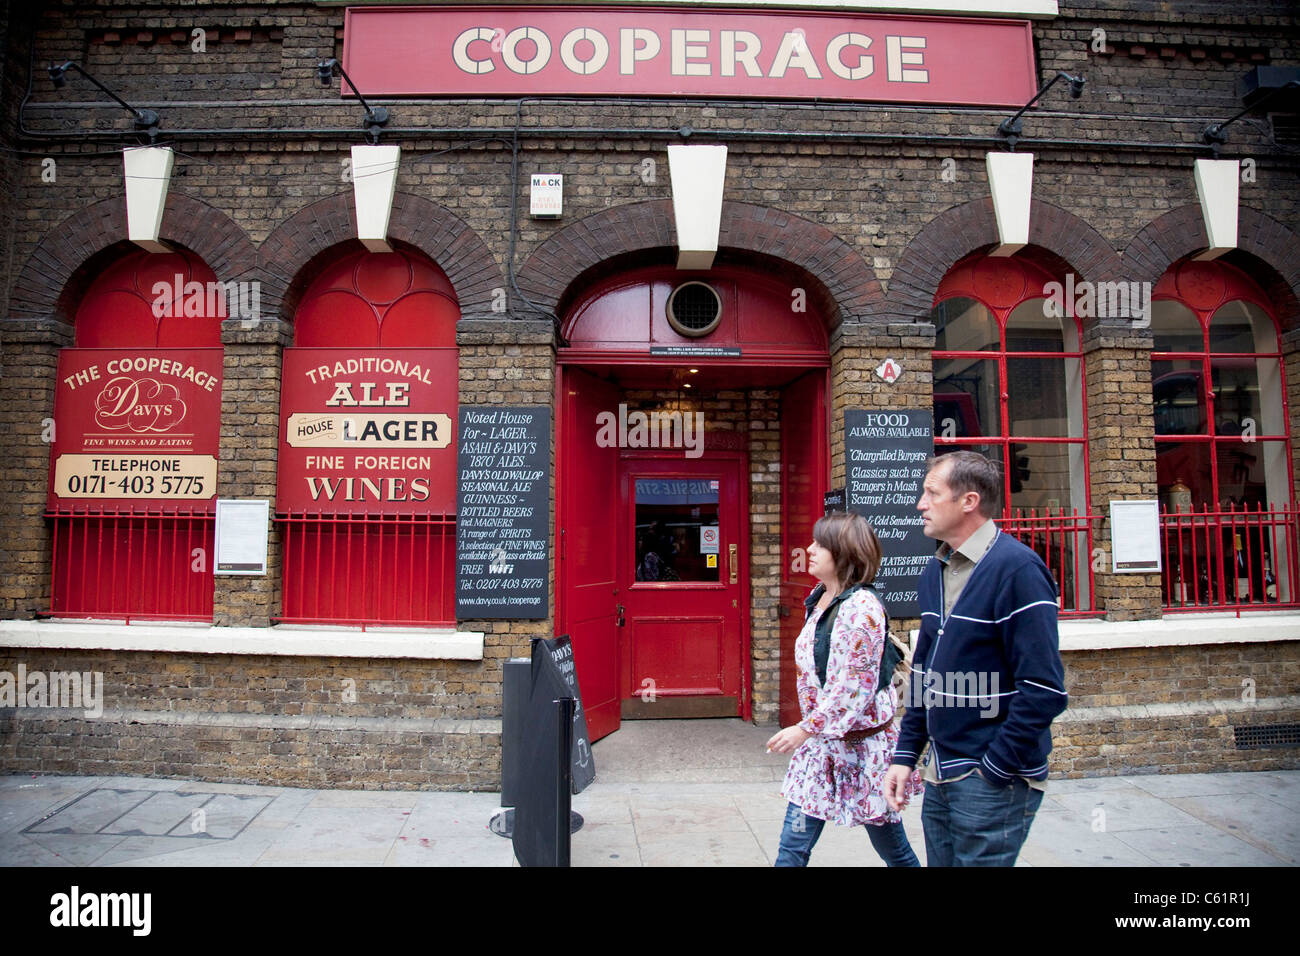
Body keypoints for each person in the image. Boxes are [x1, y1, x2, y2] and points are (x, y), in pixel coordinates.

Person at [883, 451, 1068, 867]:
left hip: (988, 777)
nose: (920, 503)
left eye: (932, 492)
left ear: (968, 501)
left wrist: (995, 768)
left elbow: (1044, 689)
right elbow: (923, 675)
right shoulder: (935, 570)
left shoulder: (1017, 569)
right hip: (940, 772)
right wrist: (906, 756)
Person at [767, 510, 922, 867]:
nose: (809, 548)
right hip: (822, 751)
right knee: (792, 847)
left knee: (894, 850)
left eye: (820, 544)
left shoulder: (861, 609)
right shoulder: (819, 597)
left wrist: (804, 728)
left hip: (862, 750)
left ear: (844, 553)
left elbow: (853, 688)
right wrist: (811, 731)